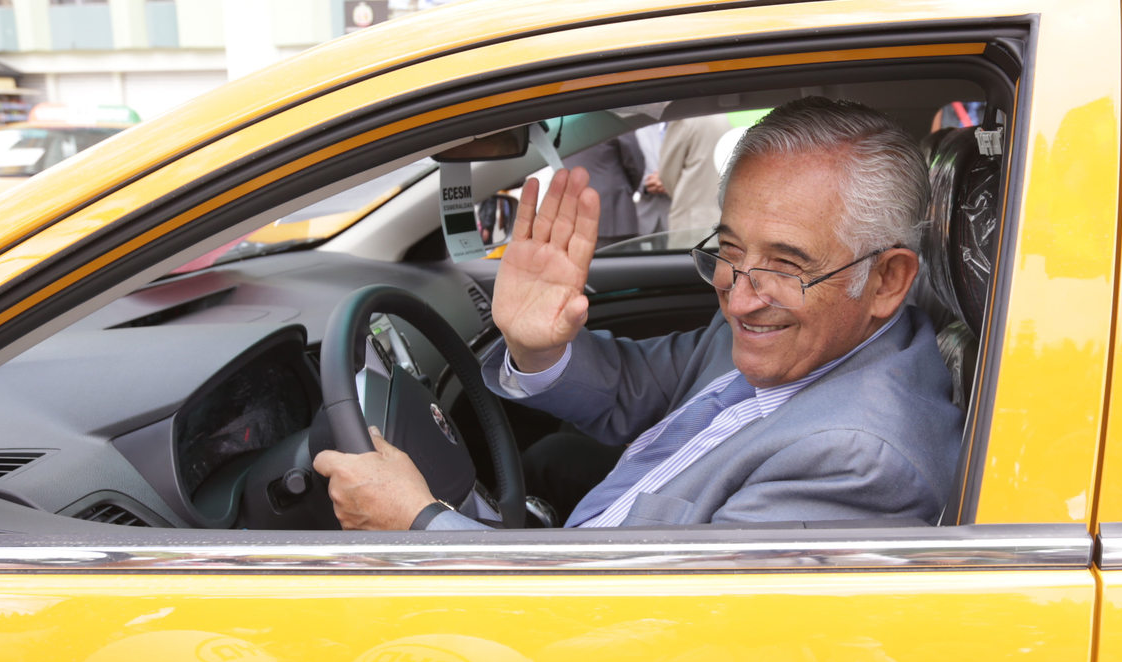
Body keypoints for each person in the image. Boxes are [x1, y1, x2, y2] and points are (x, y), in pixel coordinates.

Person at [313, 96, 964, 531]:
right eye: (730, 251)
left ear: (888, 280)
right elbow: (639, 387)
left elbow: (636, 633)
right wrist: (540, 348)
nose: (738, 298)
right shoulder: (808, 329)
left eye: (787, 266)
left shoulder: (858, 462)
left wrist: (420, 527)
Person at [561, 132, 645, 246]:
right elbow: (636, 164)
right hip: (615, 214)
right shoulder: (614, 118)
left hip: (572, 212)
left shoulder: (559, 126)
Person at [657, 112, 731, 235]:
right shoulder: (728, 116)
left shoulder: (684, 119)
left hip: (691, 220)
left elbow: (667, 173)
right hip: (724, 215)